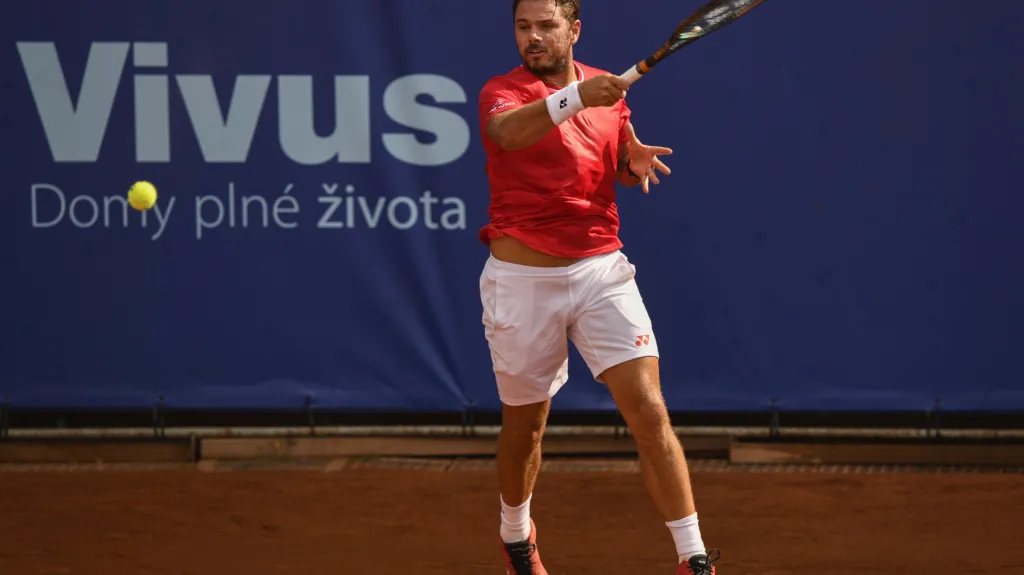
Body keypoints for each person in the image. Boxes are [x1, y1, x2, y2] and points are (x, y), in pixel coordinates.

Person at [476, 1, 720, 574]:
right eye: (522, 27)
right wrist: (580, 98)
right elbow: (509, 134)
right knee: (525, 427)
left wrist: (629, 162)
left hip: (600, 271)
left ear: (573, 30)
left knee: (649, 410)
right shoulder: (502, 92)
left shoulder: (610, 97)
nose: (531, 38)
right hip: (521, 281)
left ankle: (695, 558)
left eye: (545, 26)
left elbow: (610, 161)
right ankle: (517, 535)